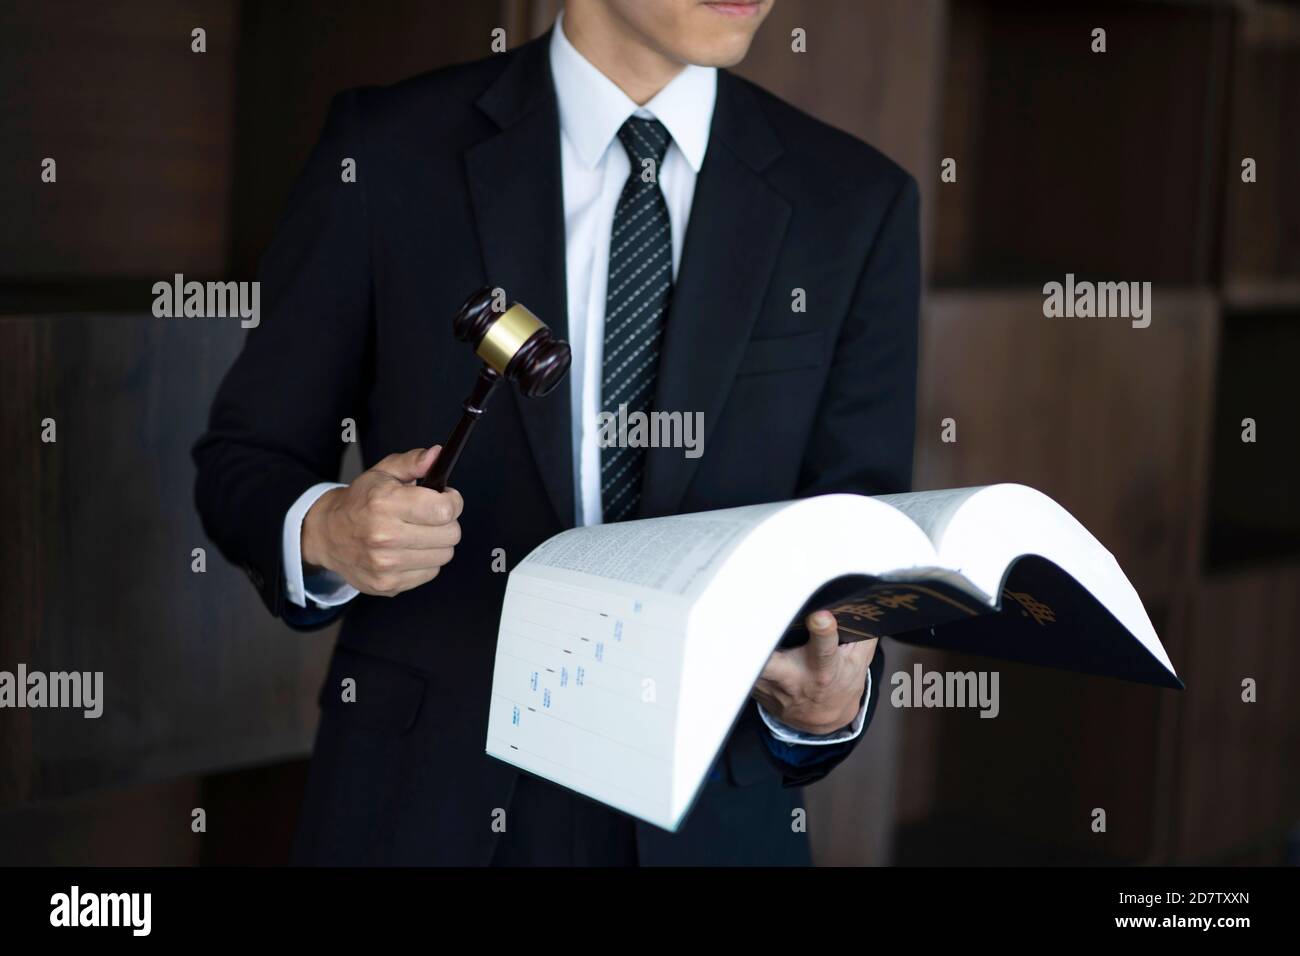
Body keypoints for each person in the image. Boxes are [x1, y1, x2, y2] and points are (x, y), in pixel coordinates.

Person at [193, 0, 918, 865]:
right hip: (428, 800)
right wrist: (327, 530)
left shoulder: (856, 201)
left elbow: (860, 543)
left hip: (710, 814)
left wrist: (829, 705)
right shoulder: (384, 152)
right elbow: (245, 458)